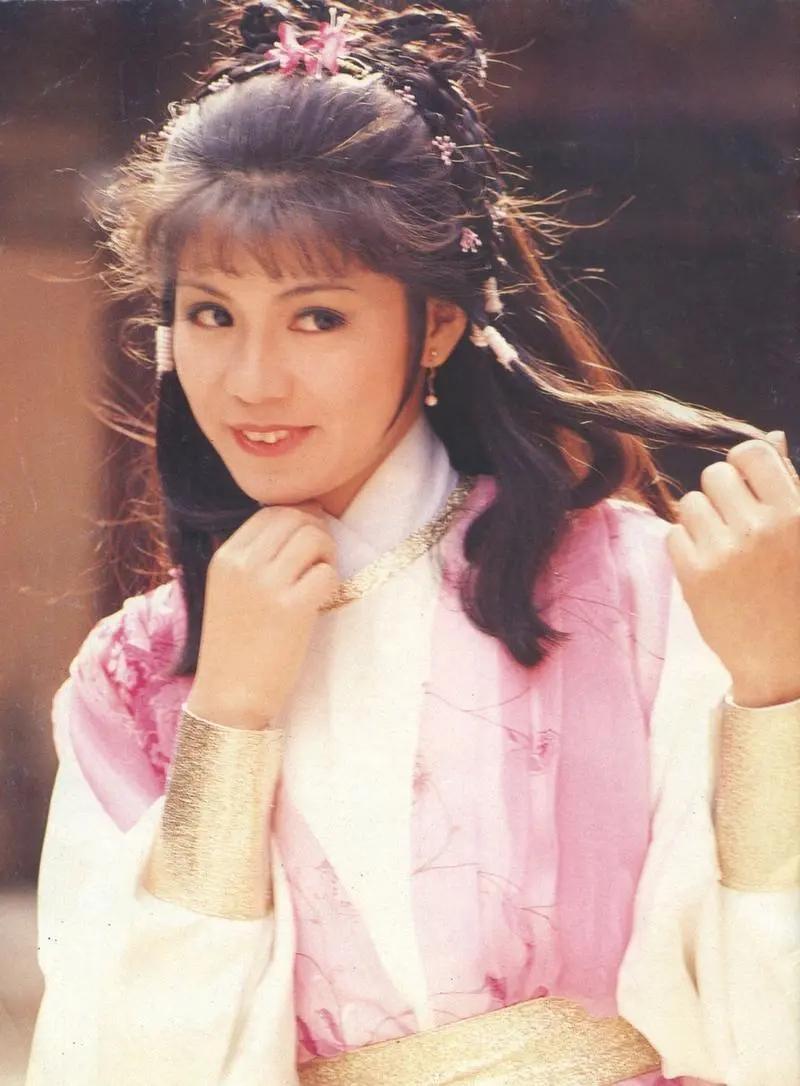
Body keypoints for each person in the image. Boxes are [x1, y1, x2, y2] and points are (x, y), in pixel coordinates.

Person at [25, 2, 799, 1084]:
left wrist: (772, 691)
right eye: (210, 315)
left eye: (317, 317)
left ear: (436, 323)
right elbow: (113, 1062)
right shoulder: (136, 677)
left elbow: (765, 1029)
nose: (251, 380)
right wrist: (228, 719)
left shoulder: (638, 592)